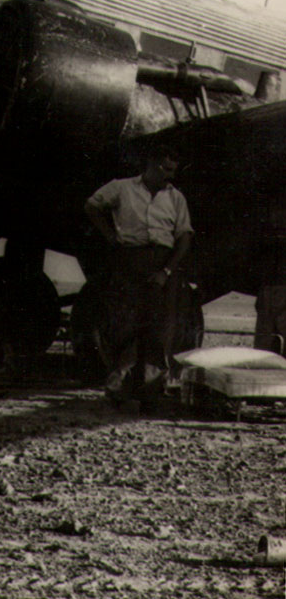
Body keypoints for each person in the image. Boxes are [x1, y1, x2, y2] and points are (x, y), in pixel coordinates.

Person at [85, 146, 193, 407]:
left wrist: (166, 271)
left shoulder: (176, 197)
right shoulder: (121, 188)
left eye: (173, 171)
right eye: (166, 169)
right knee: (124, 324)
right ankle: (119, 387)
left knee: (159, 327)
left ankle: (151, 392)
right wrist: (110, 236)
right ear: (151, 163)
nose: (170, 175)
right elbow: (92, 205)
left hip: (162, 263)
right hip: (129, 260)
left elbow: (184, 236)